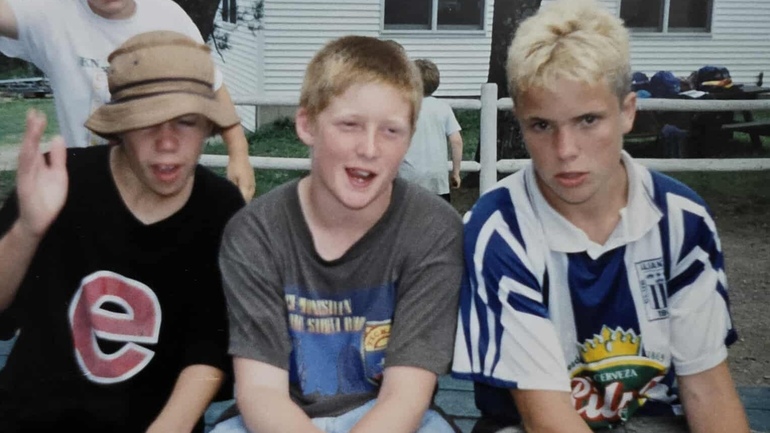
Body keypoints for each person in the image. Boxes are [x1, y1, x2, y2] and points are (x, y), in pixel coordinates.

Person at [451, 1, 751, 432]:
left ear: (628, 111)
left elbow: (707, 389)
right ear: (520, 121)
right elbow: (545, 419)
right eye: (542, 125)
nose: (566, 150)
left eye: (588, 120)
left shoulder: (682, 219)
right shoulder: (498, 229)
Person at [211, 35, 464, 433]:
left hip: (388, 415)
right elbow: (261, 391)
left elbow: (406, 395)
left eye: (391, 131)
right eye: (349, 125)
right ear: (307, 124)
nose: (369, 148)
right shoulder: (255, 231)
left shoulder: (433, 228)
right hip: (278, 418)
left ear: (410, 138)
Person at [0, 30, 245, 432]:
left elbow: (211, 349)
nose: (167, 142)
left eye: (186, 122)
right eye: (147, 122)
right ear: (120, 127)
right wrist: (27, 230)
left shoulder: (220, 209)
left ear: (208, 126)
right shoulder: (60, 180)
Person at [0, 0, 257, 202]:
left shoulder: (168, 15)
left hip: (160, 182)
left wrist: (239, 152)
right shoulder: (49, 14)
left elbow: (212, 84)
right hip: (87, 188)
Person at [399, 58, 464, 202]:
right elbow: (456, 141)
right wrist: (456, 172)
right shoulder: (443, 108)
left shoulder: (403, 108)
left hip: (408, 175)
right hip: (437, 178)